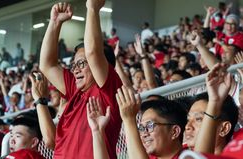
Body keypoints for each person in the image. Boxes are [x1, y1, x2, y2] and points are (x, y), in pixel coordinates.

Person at [38, 1, 122, 158]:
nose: (75, 69)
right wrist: (55, 23)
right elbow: (47, 65)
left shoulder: (108, 89)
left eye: (82, 63)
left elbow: (93, 53)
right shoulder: (75, 90)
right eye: (74, 64)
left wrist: (92, 8)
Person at [116, 85, 187, 159]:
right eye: (141, 128)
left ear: (174, 131)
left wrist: (129, 120)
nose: (144, 134)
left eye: (150, 125)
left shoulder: (189, 156)